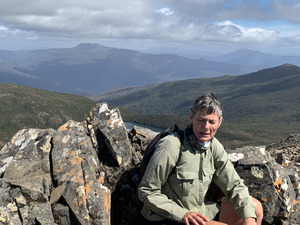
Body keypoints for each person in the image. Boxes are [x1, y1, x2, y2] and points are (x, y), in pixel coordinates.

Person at [138, 93, 263, 225]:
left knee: (254, 208)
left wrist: (249, 218)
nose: (206, 127)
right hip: (168, 217)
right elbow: (147, 191)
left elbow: (234, 185)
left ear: (219, 123)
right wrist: (182, 214)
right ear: (191, 118)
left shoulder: (214, 147)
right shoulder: (172, 145)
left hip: (198, 212)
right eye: (201, 120)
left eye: (212, 122)